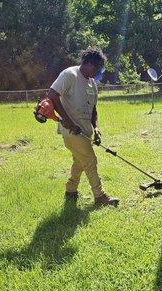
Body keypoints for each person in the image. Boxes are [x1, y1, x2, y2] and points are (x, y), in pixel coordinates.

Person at [47, 47, 119, 206]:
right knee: (90, 160)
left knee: (80, 161)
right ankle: (100, 196)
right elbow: (52, 95)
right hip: (71, 131)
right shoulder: (69, 75)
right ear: (88, 64)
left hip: (86, 131)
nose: (98, 72)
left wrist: (97, 128)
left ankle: (71, 190)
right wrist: (67, 120)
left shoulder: (92, 83)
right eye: (97, 68)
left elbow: (94, 109)